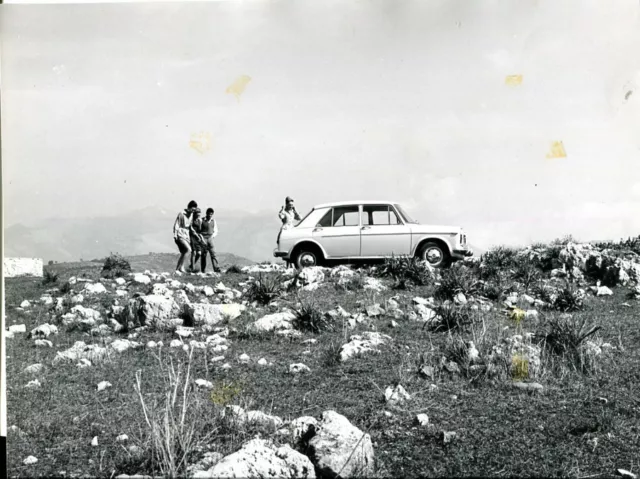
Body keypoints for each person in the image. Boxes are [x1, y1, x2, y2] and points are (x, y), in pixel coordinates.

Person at [173, 200, 198, 275]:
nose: (193, 212)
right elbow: (177, 224)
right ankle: (181, 267)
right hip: (180, 234)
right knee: (188, 249)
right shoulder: (181, 214)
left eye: (194, 210)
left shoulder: (191, 215)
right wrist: (175, 234)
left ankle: (178, 268)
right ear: (189, 208)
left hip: (186, 235)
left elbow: (190, 227)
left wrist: (196, 234)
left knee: (184, 252)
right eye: (192, 210)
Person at [278, 196, 301, 268]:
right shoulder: (284, 212)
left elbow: (299, 218)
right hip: (285, 229)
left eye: (292, 205)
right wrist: (281, 211)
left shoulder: (292, 213)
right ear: (287, 204)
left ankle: (291, 263)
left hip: (291, 229)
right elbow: (281, 217)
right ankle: (288, 264)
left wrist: (295, 210)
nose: (291, 206)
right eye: (290, 205)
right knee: (286, 247)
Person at [200, 208, 220, 273]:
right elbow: (199, 230)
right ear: (206, 214)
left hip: (210, 238)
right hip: (203, 238)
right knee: (203, 255)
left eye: (211, 214)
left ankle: (216, 269)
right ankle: (203, 270)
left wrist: (213, 236)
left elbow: (216, 230)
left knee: (213, 254)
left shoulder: (213, 221)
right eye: (209, 214)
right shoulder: (202, 220)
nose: (210, 215)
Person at [189, 208, 205, 272]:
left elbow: (200, 230)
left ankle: (192, 264)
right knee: (194, 253)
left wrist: (202, 239)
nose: (198, 216)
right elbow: (191, 228)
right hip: (192, 237)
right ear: (194, 214)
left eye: (199, 214)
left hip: (197, 237)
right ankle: (193, 268)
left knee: (199, 253)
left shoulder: (199, 220)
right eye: (197, 214)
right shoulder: (191, 220)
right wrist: (196, 235)